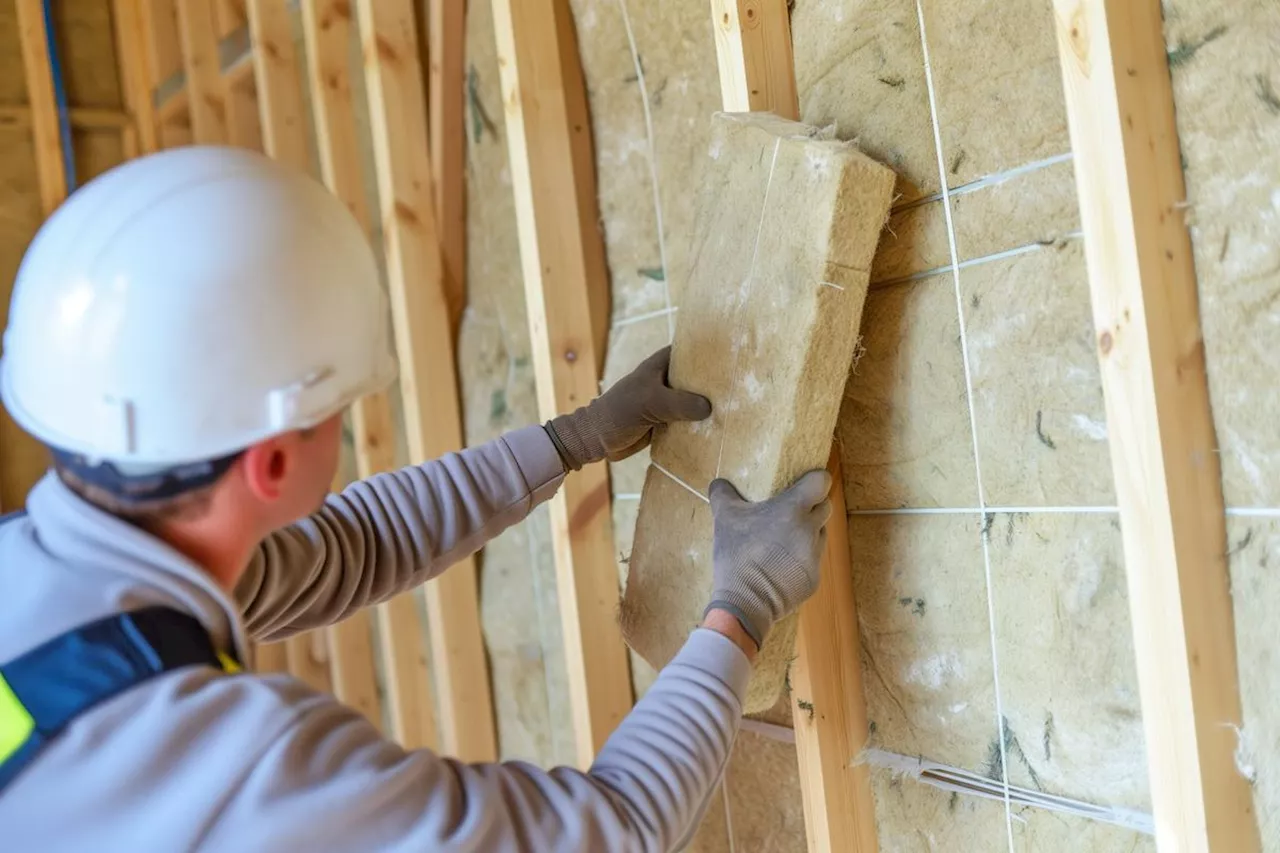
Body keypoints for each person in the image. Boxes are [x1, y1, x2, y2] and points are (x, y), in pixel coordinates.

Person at [0, 147, 832, 851]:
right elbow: (603, 829)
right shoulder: (237, 768)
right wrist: (742, 607)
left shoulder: (64, 582)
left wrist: (578, 437)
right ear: (273, 460)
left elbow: (351, 548)